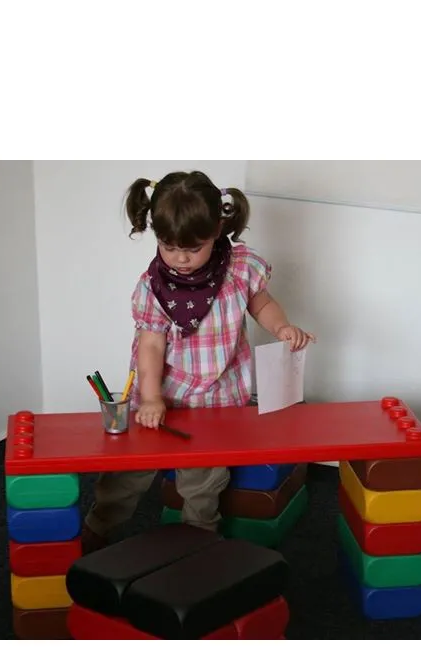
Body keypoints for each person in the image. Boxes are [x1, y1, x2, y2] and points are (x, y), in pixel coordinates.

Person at [81, 170, 316, 554]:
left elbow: (262, 303)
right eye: (169, 247)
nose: (181, 259)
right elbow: (152, 346)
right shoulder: (152, 287)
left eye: (194, 248)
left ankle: (199, 541)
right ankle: (100, 524)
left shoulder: (239, 267)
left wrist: (282, 327)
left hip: (217, 397)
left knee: (204, 482)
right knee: (129, 473)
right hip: (163, 394)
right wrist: (153, 398)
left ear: (218, 229)